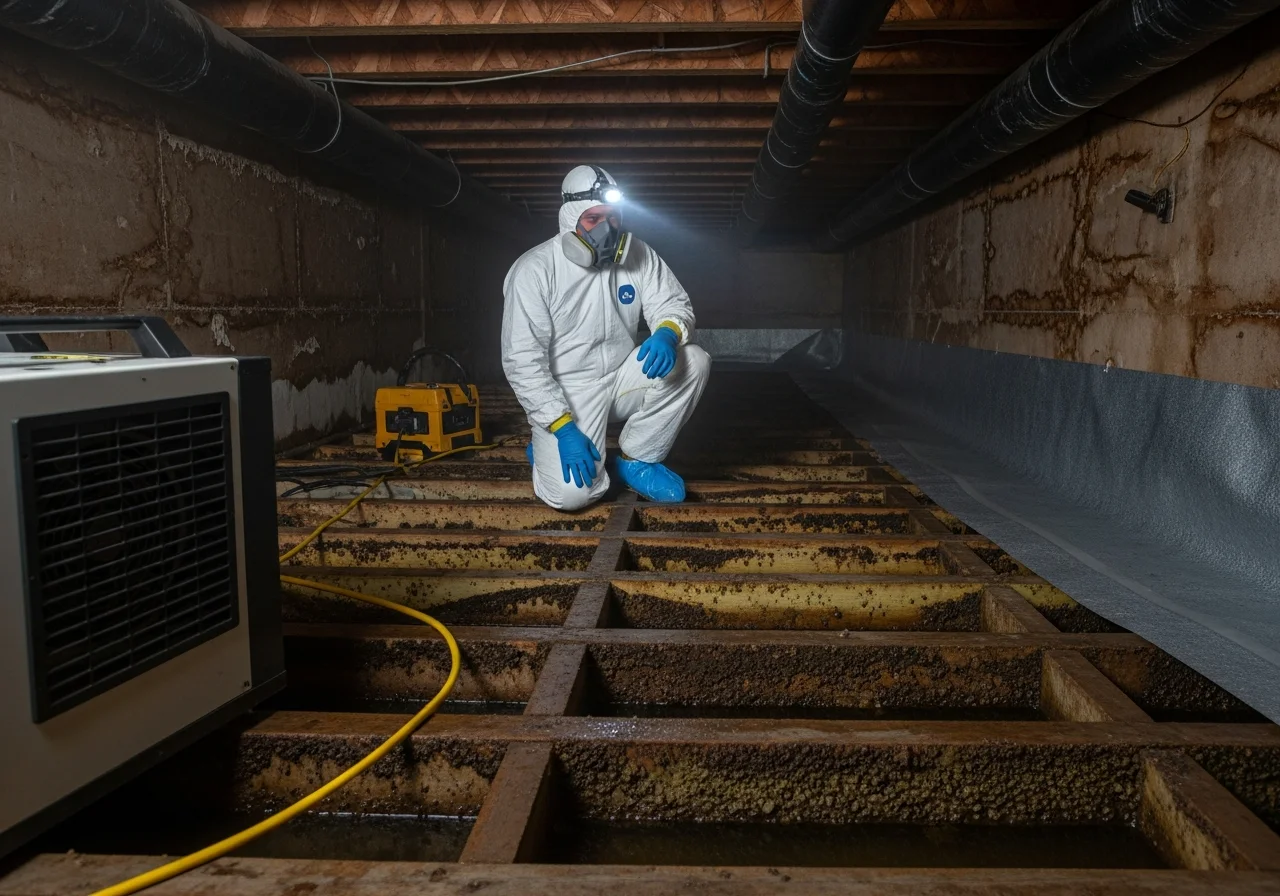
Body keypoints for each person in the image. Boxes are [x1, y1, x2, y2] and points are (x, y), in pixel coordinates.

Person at [501, 165, 711, 511]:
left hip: (620, 376)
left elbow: (673, 302)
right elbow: (522, 361)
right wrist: (561, 427)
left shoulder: (637, 254)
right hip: (569, 393)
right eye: (593, 219)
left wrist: (667, 332)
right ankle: (545, 447)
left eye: (613, 218)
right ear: (570, 218)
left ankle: (638, 458)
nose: (606, 230)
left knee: (694, 361)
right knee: (573, 497)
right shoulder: (534, 270)